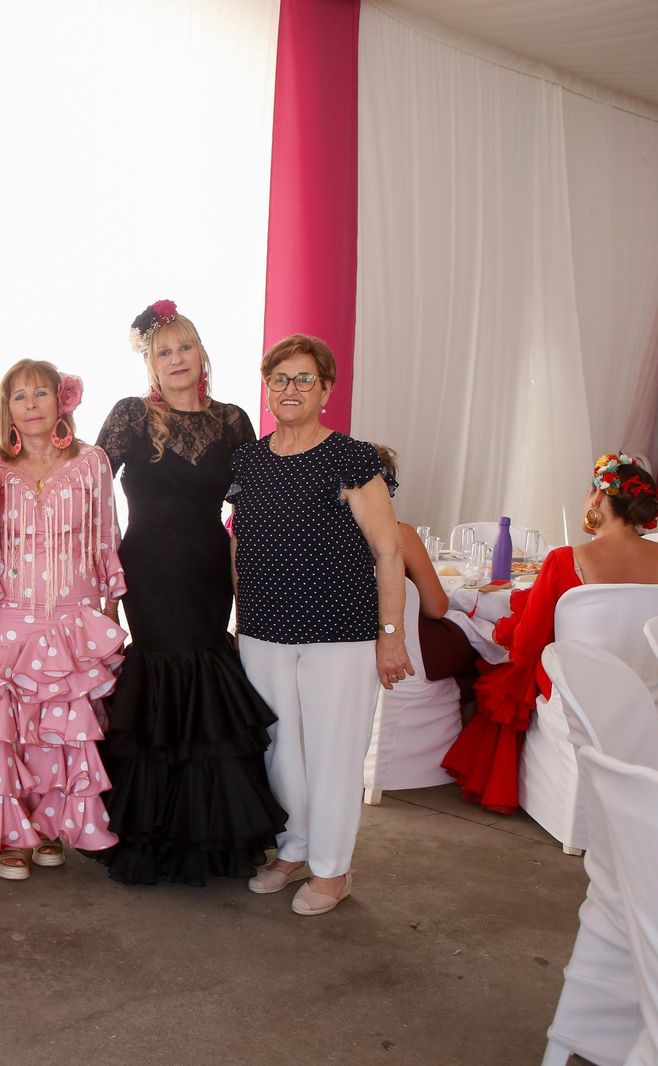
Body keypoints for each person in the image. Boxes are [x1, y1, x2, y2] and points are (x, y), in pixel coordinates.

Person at [94, 300, 285, 885]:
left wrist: (248, 584)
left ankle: (216, 830)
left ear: (202, 354)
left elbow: (246, 511)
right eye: (164, 351)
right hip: (147, 570)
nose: (176, 359)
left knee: (205, 673)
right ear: (150, 363)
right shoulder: (131, 414)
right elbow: (90, 489)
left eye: (185, 347)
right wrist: (97, 580)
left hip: (207, 570)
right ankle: (150, 830)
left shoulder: (232, 421)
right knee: (158, 671)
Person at [229, 333, 410, 916]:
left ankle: (333, 869)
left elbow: (389, 550)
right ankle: (294, 848)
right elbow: (239, 547)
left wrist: (391, 636)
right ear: (267, 386)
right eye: (280, 378)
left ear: (326, 390)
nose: (290, 389)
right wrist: (238, 616)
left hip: (342, 631)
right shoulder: (249, 460)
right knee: (280, 746)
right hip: (262, 629)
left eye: (304, 379)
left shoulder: (352, 457)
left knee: (334, 750)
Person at [442, 453, 658, 811]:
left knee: (512, 671)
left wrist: (503, 630)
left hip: (582, 688)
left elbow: (525, 648)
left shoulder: (564, 560)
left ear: (599, 500)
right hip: (656, 690)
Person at [0, 360, 126, 880]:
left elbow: (107, 535)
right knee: (9, 730)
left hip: (73, 613)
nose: (30, 404)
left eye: (40, 394)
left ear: (61, 402)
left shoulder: (91, 462)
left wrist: (110, 608)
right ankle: (13, 835)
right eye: (19, 396)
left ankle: (52, 829)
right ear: (6, 408)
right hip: (6, 614)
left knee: (64, 731)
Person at [372, 445, 478, 688]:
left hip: (354, 651)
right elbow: (436, 607)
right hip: (411, 651)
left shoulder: (325, 540)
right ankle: (468, 722)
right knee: (483, 654)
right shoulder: (400, 536)